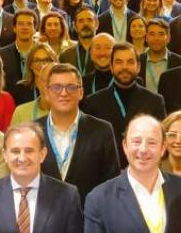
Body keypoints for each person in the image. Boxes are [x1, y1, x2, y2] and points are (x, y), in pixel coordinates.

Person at [36, 63, 122, 201]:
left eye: (71, 87)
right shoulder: (33, 131)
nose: (64, 93)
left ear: (81, 92)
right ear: (47, 93)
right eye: (56, 87)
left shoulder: (102, 130)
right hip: (44, 218)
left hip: (88, 218)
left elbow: (111, 184)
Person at [83, 42, 167, 142]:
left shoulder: (155, 101)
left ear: (138, 67)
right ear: (111, 67)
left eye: (130, 62)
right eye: (119, 62)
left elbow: (161, 139)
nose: (124, 67)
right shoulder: (93, 103)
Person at [8, 43, 58, 124]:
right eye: (37, 60)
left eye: (46, 60)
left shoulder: (61, 88)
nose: (42, 64)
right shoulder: (20, 89)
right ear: (31, 64)